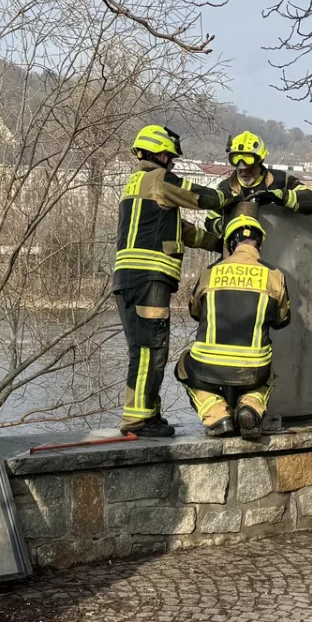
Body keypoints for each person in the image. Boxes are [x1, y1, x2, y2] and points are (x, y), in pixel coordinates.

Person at [113, 124, 224, 437]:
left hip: (129, 279)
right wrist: (228, 196)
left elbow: (183, 231)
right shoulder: (160, 179)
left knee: (143, 347)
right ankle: (138, 420)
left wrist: (221, 243)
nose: (171, 162)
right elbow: (200, 196)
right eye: (169, 156)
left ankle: (148, 412)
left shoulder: (138, 184)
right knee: (151, 348)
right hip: (149, 277)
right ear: (159, 153)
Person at [177, 213, 292, 439]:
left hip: (207, 365)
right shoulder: (274, 275)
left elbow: (194, 312)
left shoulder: (210, 272)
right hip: (253, 368)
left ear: (231, 242)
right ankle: (250, 407)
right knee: (267, 373)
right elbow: (282, 320)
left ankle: (217, 415)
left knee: (183, 366)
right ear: (259, 244)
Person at [217, 130, 312, 215]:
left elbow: (311, 200)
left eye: (249, 165)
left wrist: (277, 196)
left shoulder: (281, 180)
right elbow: (212, 221)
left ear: (260, 161)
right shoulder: (225, 187)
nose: (243, 171)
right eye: (237, 164)